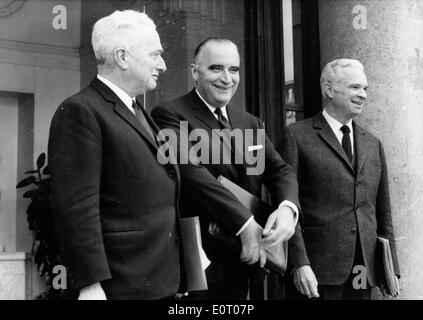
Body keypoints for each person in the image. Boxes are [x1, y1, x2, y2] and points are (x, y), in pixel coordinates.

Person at [48, 10, 184, 300]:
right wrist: (90, 284)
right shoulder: (81, 111)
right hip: (118, 287)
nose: (163, 64)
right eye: (155, 54)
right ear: (122, 57)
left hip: (156, 281)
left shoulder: (138, 112)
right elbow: (76, 209)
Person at [151, 37, 300, 299]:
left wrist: (287, 209)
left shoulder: (249, 123)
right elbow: (192, 173)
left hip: (248, 262)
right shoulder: (169, 114)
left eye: (234, 70)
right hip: (201, 263)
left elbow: (279, 171)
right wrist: (246, 225)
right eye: (216, 68)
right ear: (195, 71)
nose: (227, 78)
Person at [279, 59, 400, 300]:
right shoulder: (297, 136)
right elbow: (286, 205)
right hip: (315, 274)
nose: (363, 95)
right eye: (355, 87)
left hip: (363, 271)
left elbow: (382, 212)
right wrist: (299, 263)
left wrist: (391, 269)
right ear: (329, 89)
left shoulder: (372, 143)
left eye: (365, 89)